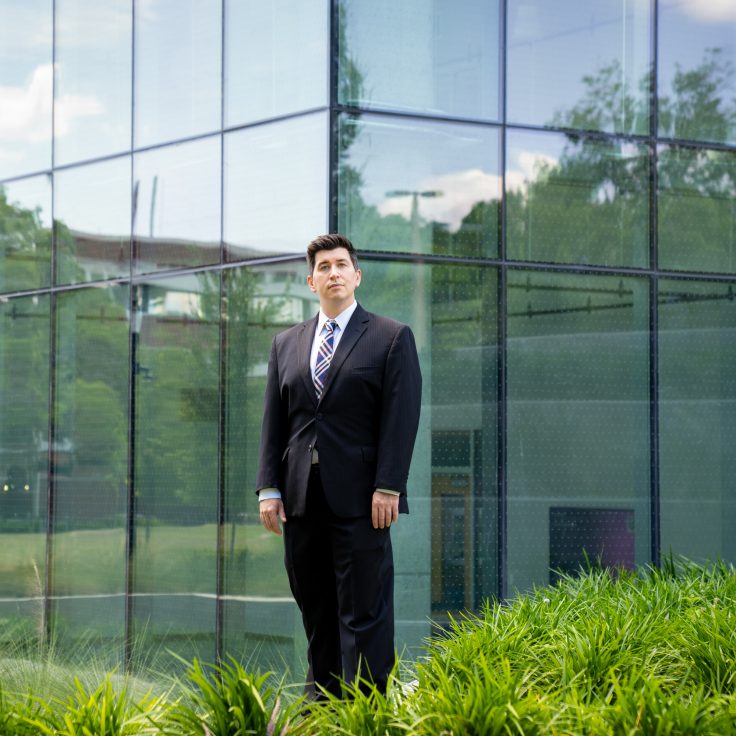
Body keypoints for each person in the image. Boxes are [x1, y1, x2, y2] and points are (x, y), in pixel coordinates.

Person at [256, 233, 422, 699]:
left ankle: (366, 709)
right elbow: (275, 422)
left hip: (363, 499)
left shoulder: (390, 337)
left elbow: (401, 418)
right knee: (315, 606)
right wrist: (268, 487)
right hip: (301, 499)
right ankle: (320, 707)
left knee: (363, 610)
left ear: (357, 275)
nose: (334, 273)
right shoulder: (285, 344)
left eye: (341, 265)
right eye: (324, 267)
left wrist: (389, 485)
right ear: (311, 281)